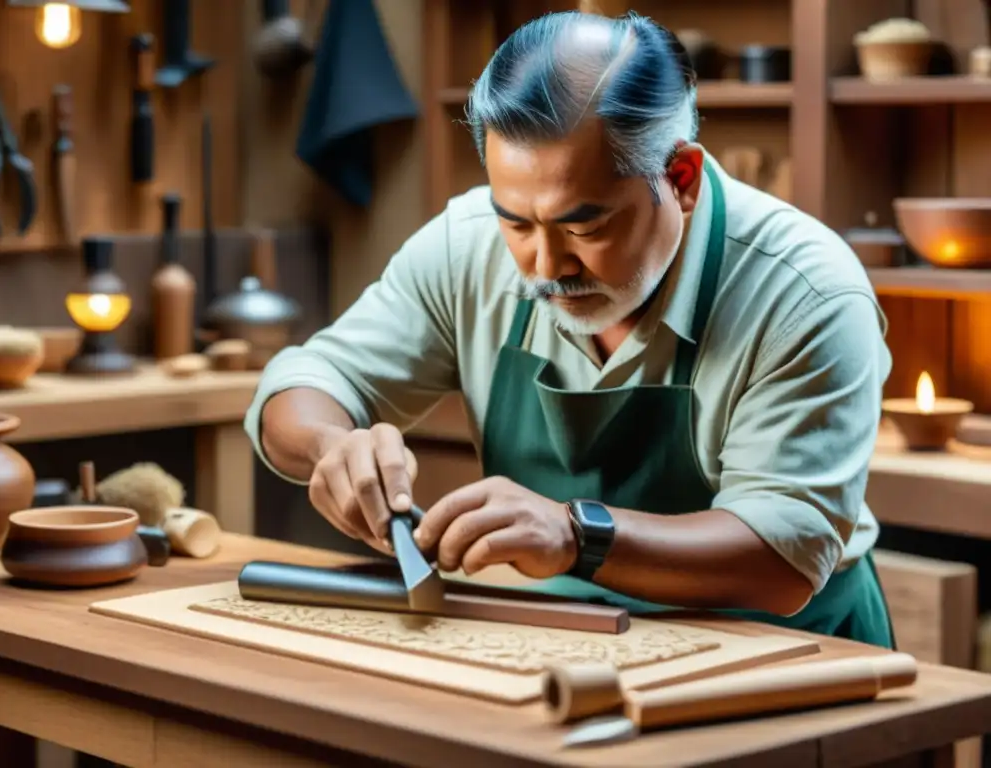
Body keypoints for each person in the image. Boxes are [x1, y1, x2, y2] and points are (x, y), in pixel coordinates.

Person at [245, 10, 895, 646]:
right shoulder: (467, 246)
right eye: (518, 223)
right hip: (570, 636)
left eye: (585, 227)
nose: (546, 267)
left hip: (788, 649)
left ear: (682, 179)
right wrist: (333, 446)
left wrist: (576, 533)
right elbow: (306, 382)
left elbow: (780, 560)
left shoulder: (805, 291)